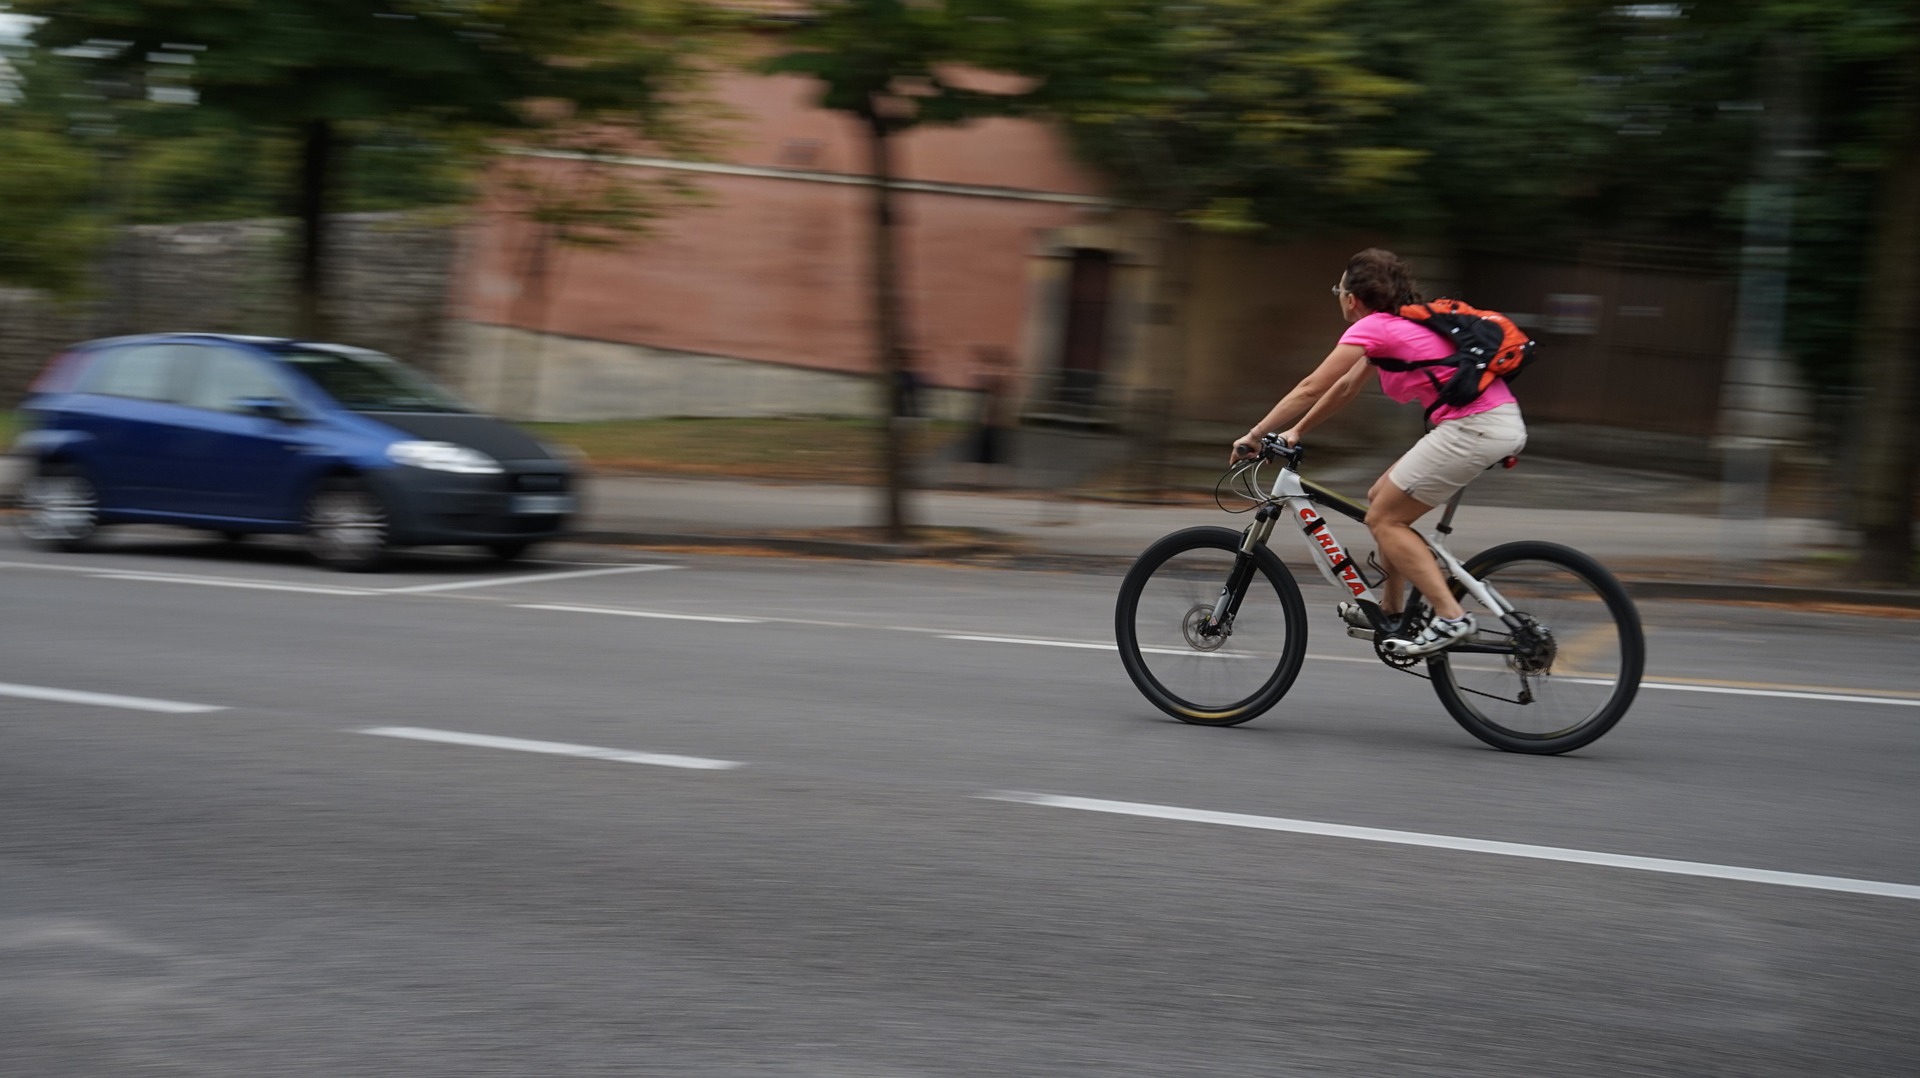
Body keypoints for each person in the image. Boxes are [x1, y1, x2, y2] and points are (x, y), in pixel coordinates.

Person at [1230, 248, 1527, 656]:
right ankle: (1391, 608)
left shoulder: (1375, 329)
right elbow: (1345, 388)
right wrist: (1296, 430)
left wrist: (1256, 433)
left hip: (1475, 426)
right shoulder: (1395, 327)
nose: (1338, 296)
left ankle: (1450, 616)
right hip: (1485, 422)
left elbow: (1312, 386)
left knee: (1384, 519)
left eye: (1338, 289)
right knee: (1379, 498)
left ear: (1351, 298)